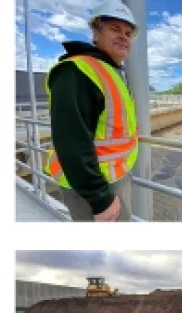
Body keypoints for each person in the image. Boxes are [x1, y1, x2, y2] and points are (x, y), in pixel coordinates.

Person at [44, 0, 139, 222]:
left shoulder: (109, 72)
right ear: (95, 33)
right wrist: (100, 198)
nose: (124, 36)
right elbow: (72, 140)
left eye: (128, 32)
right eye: (114, 29)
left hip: (111, 179)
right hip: (92, 189)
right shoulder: (77, 71)